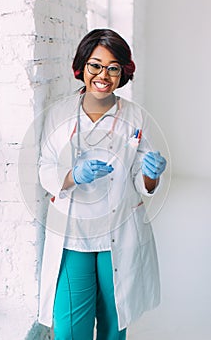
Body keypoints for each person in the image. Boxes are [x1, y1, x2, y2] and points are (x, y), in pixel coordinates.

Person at [38, 29, 167, 340]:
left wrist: (152, 173)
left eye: (113, 68)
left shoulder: (136, 117)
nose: (103, 75)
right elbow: (44, 169)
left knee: (113, 326)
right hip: (74, 236)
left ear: (123, 72)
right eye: (95, 65)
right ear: (82, 66)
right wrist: (73, 176)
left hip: (118, 233)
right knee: (70, 329)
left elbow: (142, 180)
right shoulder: (59, 114)